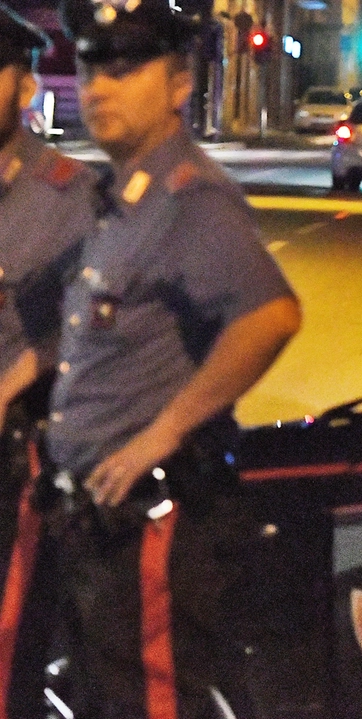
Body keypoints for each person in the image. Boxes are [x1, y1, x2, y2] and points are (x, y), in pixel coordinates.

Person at [40, 0, 302, 714]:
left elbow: (271, 315)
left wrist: (162, 431)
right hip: (96, 524)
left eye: (126, 69)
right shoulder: (125, 196)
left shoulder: (191, 200)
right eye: (93, 67)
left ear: (180, 84)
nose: (100, 87)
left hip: (151, 524)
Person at [0, 4, 98, 717]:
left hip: (17, 465)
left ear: (25, 90)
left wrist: (13, 380)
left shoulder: (69, 196)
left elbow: (102, 327)